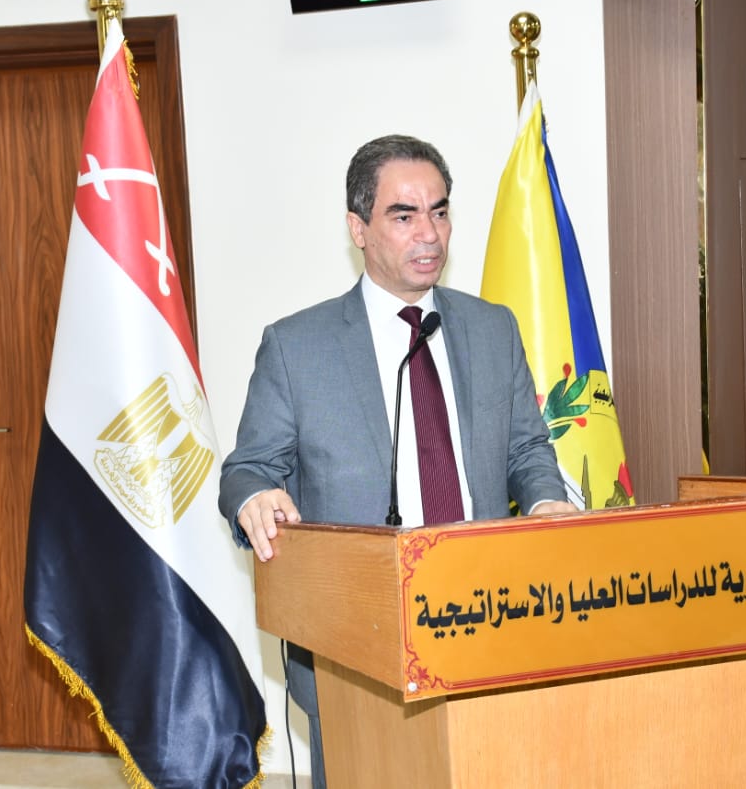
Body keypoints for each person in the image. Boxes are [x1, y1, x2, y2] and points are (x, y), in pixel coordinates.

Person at [219, 134, 574, 787]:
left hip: (488, 617)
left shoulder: (492, 328)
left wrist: (546, 496)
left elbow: (526, 447)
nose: (429, 233)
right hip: (359, 639)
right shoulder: (297, 347)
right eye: (404, 215)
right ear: (358, 228)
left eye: (439, 211)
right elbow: (248, 468)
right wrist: (254, 495)